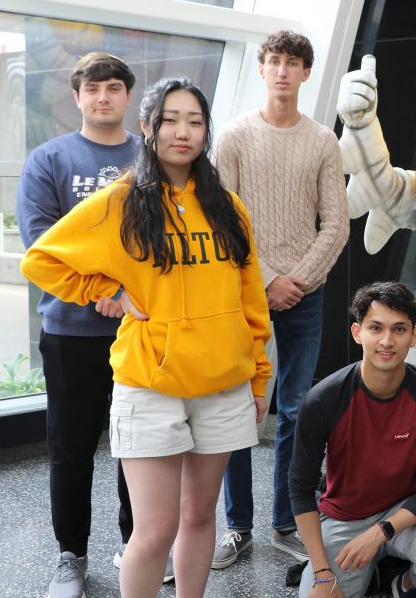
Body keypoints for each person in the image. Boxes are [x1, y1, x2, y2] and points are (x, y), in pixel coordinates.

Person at [20, 76, 273, 598]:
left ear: (207, 132)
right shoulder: (120, 203)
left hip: (224, 383)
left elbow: (252, 302)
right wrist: (103, 288)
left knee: (200, 517)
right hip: (151, 383)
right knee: (154, 530)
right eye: (171, 120)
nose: (184, 132)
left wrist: (259, 378)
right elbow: (41, 259)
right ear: (147, 127)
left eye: (195, 121)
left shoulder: (228, 208)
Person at [16, 52, 156, 598]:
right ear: (77, 97)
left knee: (138, 447)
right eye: (93, 88)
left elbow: (162, 237)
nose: (103, 97)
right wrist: (105, 290)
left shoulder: (150, 158)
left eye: (114, 87)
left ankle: (135, 546)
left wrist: (127, 295)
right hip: (71, 331)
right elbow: (40, 241)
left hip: (140, 330)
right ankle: (70, 556)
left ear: (127, 97)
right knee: (71, 448)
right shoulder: (49, 159)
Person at [212, 29, 349, 568]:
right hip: (244, 292)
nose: (283, 71)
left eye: (294, 63)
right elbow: (223, 221)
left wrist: (298, 280)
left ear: (307, 73)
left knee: (296, 407)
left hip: (304, 295)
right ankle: (237, 525)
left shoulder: (322, 141)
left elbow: (335, 225)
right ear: (263, 69)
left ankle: (287, 518)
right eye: (274, 61)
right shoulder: (235, 136)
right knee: (237, 408)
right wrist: (267, 278)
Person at [289, 281, 416, 598]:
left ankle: (406, 586)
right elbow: (300, 486)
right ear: (358, 332)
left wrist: (380, 532)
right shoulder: (324, 399)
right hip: (345, 516)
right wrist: (320, 572)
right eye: (376, 328)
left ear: (414, 336)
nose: (387, 341)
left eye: (399, 329)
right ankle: (364, 577)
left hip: (409, 511)